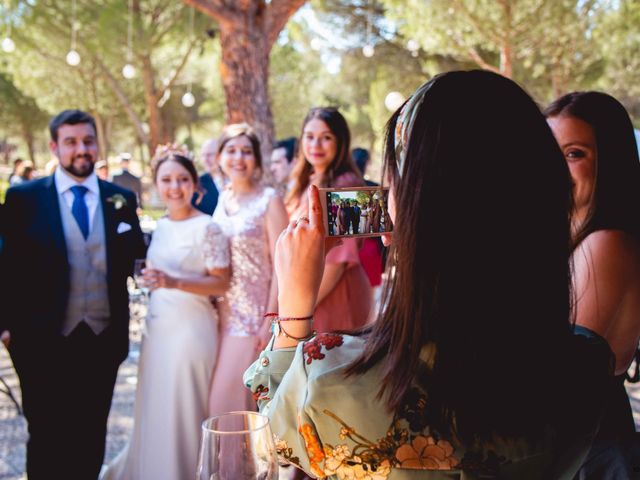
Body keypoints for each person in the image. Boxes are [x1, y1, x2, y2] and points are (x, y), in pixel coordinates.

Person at [245, 71, 613, 479]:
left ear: (416, 210)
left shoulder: (333, 383)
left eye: (394, 185)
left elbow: (277, 437)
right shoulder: (587, 367)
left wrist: (294, 307)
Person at [1, 109, 145, 479]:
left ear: (97, 144)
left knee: (92, 431)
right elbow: (5, 263)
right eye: (71, 142)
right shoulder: (23, 198)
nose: (81, 149)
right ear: (55, 147)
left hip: (102, 338)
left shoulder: (119, 199)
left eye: (88, 141)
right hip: (40, 339)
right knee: (47, 433)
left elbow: (135, 258)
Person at [102, 149, 230, 480]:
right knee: (155, 406)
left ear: (195, 185)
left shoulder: (207, 227)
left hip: (190, 330)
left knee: (183, 408)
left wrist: (172, 281)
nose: (175, 187)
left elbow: (221, 282)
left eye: (183, 179)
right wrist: (152, 280)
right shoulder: (159, 226)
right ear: (156, 185)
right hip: (156, 329)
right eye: (167, 180)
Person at [545, 91, 640, 477]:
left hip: (588, 453)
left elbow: (563, 374)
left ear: (609, 163)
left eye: (574, 154)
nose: (554, 166)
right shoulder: (572, 236)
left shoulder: (606, 244)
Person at [208, 123, 288, 416]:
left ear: (256, 159)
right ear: (219, 157)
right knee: (230, 407)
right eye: (231, 150)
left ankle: (237, 464)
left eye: (246, 151)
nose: (238, 158)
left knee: (225, 406)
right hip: (220, 318)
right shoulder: (222, 198)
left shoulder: (269, 200)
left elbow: (283, 265)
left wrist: (269, 320)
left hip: (252, 320)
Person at [286, 107, 371, 332]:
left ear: (340, 142)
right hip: (307, 293)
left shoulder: (347, 185)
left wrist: (300, 309)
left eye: (326, 138)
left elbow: (339, 262)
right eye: (310, 137)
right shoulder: (305, 181)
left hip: (333, 293)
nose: (316, 145)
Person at [193, 138, 221, 215]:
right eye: (203, 155)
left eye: (209, 155)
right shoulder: (197, 184)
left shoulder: (235, 180)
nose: (205, 160)